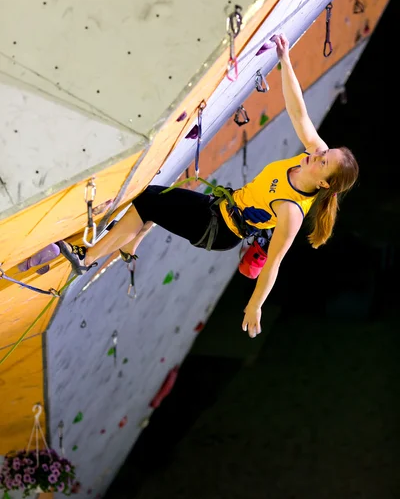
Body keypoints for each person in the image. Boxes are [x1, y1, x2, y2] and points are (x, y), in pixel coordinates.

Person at [64, 34, 359, 339]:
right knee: (159, 201)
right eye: (326, 151)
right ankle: (129, 244)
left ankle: (85, 259)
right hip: (217, 207)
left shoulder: (292, 211)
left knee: (149, 201)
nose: (319, 153)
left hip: (219, 230)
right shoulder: (314, 156)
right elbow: (299, 113)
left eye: (324, 160)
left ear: (323, 182)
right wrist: (285, 60)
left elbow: (273, 265)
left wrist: (254, 306)